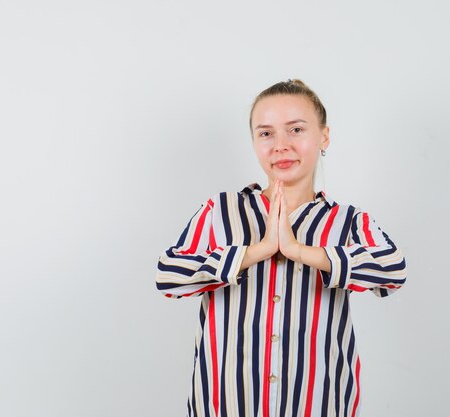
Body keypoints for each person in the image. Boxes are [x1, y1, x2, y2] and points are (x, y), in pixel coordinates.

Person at [155, 79, 408, 417]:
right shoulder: (221, 211)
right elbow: (168, 274)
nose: (280, 146)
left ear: (324, 137)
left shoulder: (346, 221)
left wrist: (301, 251)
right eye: (266, 133)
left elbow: (394, 269)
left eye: (296, 130)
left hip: (319, 405)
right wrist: (257, 251)